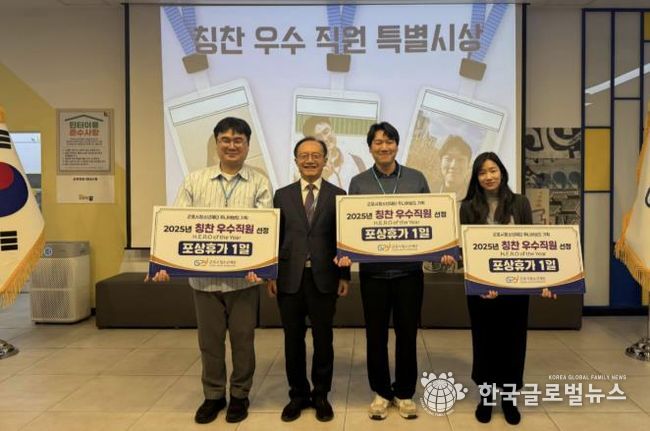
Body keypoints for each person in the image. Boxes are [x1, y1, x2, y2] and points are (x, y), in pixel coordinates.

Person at [147, 117, 272, 424]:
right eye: (225, 140)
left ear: (248, 145)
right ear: (216, 143)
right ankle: (214, 395)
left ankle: (240, 395)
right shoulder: (194, 180)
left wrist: (262, 266)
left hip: (244, 282)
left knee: (243, 341)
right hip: (203, 282)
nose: (232, 145)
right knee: (210, 343)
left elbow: (265, 231)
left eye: (238, 140)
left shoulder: (259, 182)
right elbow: (176, 226)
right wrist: (164, 264)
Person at [441, 152, 556, 425]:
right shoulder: (468, 207)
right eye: (482, 172)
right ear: (476, 177)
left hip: (515, 289)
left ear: (502, 172)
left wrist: (542, 281)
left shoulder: (520, 203)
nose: (488, 177)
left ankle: (509, 398)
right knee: (484, 342)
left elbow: (532, 244)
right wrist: (456, 260)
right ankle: (486, 397)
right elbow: (467, 249)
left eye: (493, 170)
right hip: (481, 289)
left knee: (513, 342)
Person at [338, 122, 430, 420]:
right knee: (375, 336)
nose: (384, 147)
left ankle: (404, 393)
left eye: (389, 142)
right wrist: (345, 252)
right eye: (378, 142)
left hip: (409, 274)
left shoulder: (416, 179)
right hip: (373, 275)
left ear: (397, 145)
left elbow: (432, 220)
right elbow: (350, 226)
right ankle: (380, 392)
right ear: (370, 148)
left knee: (407, 335)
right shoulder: (358, 182)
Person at [267, 137, 350, 422]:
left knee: (323, 339)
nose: (310, 160)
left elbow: (343, 239)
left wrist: (344, 276)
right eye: (304, 155)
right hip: (289, 278)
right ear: (296, 161)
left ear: (325, 160)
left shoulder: (339, 195)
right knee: (293, 340)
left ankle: (321, 394)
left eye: (316, 155)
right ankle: (298, 395)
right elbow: (274, 238)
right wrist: (270, 274)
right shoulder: (282, 195)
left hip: (325, 278)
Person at [302, 116, 366, 189]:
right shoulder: (309, 171)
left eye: (326, 132)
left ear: (333, 130)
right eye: (318, 137)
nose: (324, 139)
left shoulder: (356, 161)